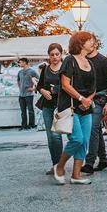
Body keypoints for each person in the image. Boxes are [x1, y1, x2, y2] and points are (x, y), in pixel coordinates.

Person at [52, 31, 98, 185]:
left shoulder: (90, 63)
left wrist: (88, 100)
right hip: (71, 106)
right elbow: (65, 85)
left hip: (86, 107)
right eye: (89, 40)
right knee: (77, 139)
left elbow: (94, 88)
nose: (92, 43)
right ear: (80, 43)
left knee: (84, 141)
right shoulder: (69, 61)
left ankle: (76, 175)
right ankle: (59, 166)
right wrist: (81, 99)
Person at [80, 37, 107, 175]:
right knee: (96, 130)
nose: (85, 45)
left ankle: (89, 162)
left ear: (94, 44)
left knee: (93, 127)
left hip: (100, 98)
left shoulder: (103, 61)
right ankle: (103, 160)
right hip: (87, 99)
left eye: (87, 42)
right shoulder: (83, 60)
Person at [35, 43, 65, 173]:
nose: (54, 57)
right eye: (52, 55)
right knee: (50, 137)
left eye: (57, 54)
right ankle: (55, 164)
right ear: (49, 56)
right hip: (47, 106)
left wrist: (54, 90)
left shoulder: (65, 68)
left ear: (61, 54)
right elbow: (39, 85)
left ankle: (60, 166)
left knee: (56, 136)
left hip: (60, 106)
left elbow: (69, 86)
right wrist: (43, 91)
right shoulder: (45, 69)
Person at [16, 58, 38, 130]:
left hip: (29, 95)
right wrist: (20, 87)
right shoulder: (20, 72)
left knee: (30, 110)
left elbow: (39, 80)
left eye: (20, 62)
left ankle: (31, 125)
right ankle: (24, 125)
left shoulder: (32, 71)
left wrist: (33, 89)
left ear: (25, 63)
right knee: (23, 111)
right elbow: (18, 80)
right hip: (21, 95)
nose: (19, 64)